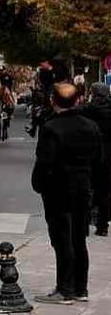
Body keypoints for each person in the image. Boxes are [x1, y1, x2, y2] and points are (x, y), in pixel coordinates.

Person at [32, 83, 103, 305]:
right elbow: (100, 161)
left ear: (54, 101)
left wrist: (39, 185)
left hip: (58, 191)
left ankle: (65, 289)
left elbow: (45, 163)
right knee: (79, 238)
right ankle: (81, 288)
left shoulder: (51, 127)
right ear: (77, 101)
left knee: (62, 241)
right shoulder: (91, 126)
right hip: (83, 189)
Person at [81, 83, 111, 236]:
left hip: (90, 155)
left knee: (86, 190)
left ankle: (84, 223)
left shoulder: (88, 110)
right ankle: (103, 225)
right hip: (108, 158)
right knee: (104, 191)